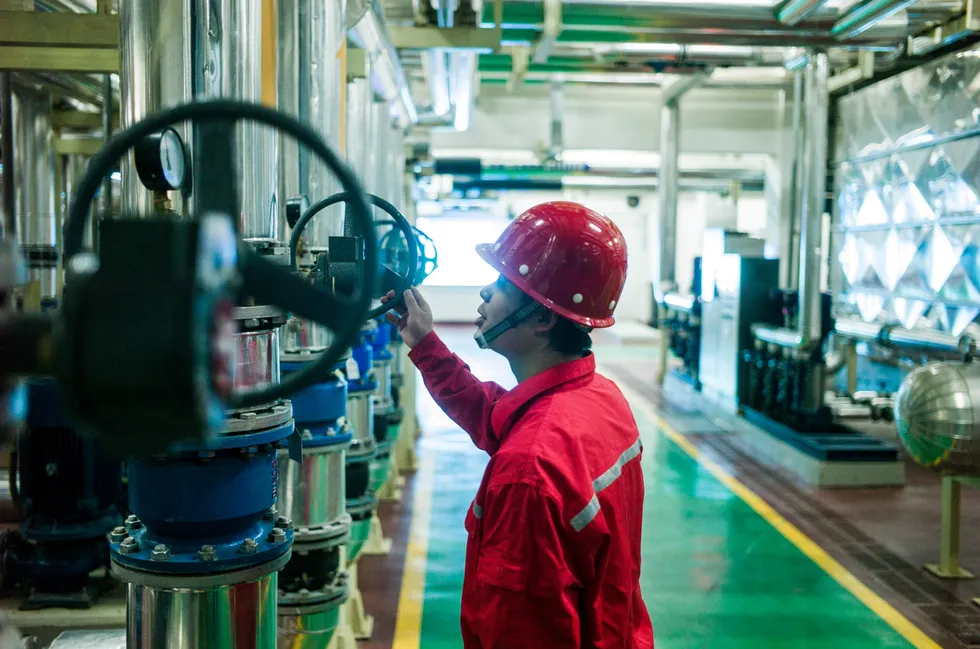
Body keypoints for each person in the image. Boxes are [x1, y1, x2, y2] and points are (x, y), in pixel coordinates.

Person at [383, 201, 654, 649]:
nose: (487, 293)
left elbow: (522, 632)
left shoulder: (529, 471)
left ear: (544, 318)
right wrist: (424, 343)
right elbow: (498, 417)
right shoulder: (599, 398)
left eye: (505, 282)